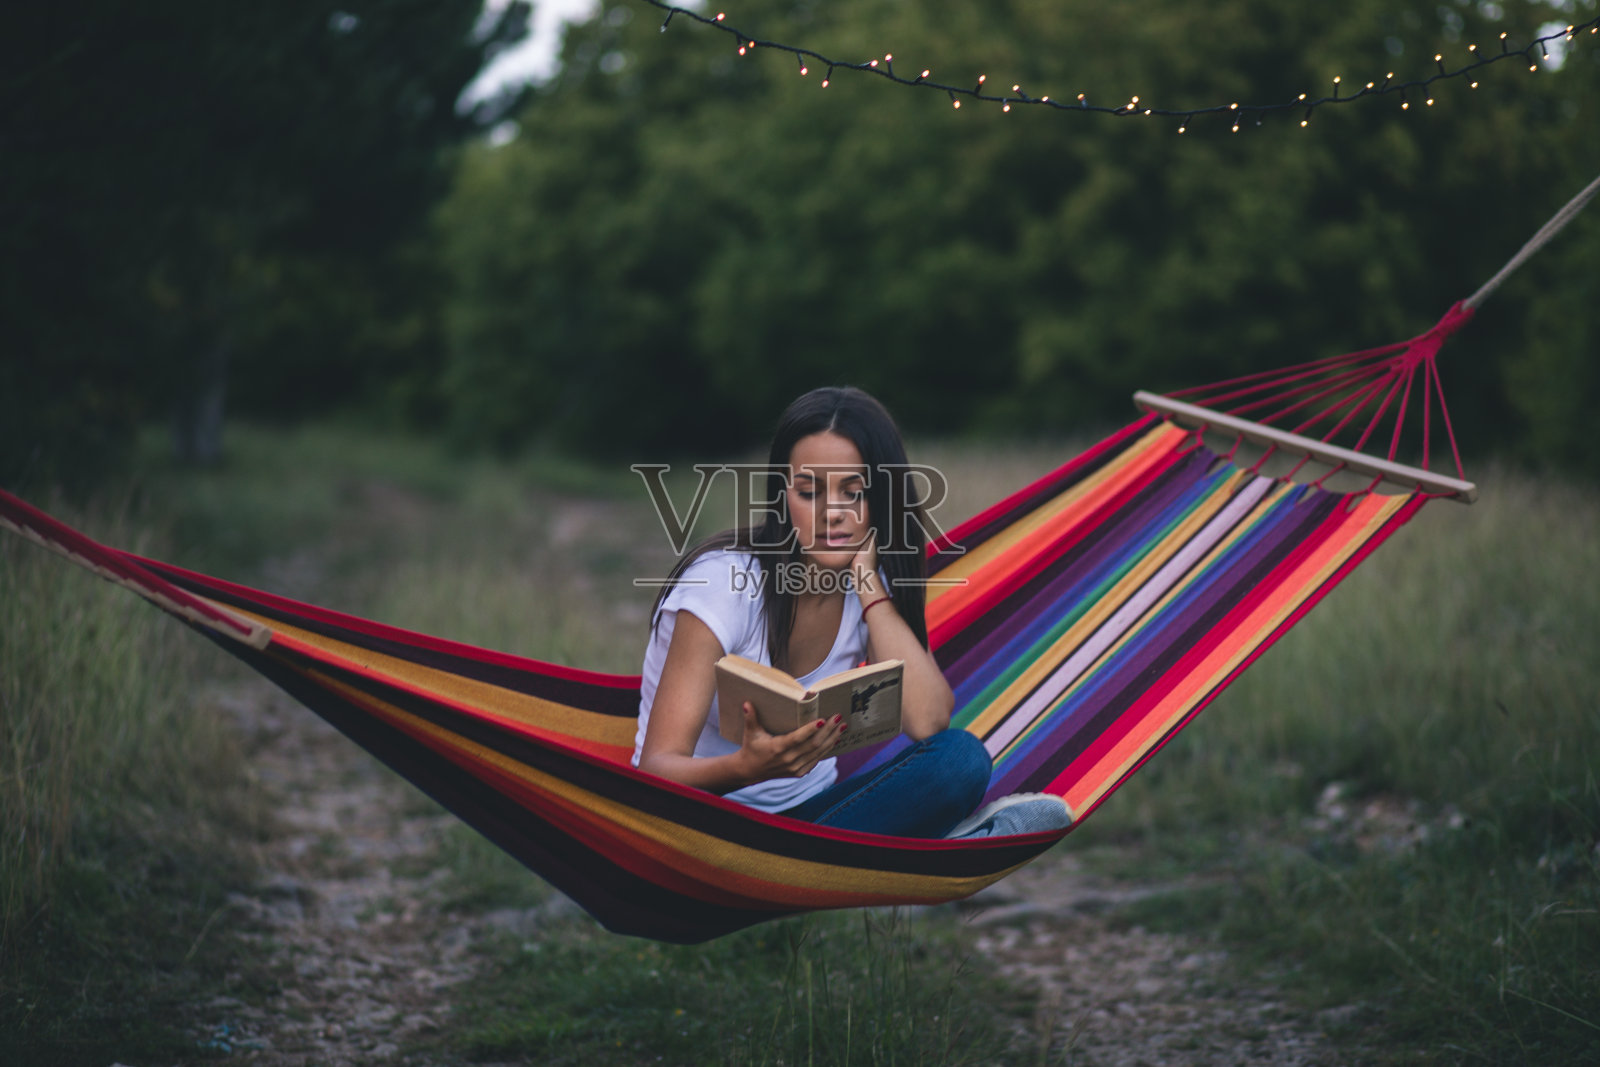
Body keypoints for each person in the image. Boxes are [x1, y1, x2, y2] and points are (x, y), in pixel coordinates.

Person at [633, 386, 1071, 839]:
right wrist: (745, 768)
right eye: (810, 492)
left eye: (854, 492)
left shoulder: (865, 585)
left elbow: (928, 721)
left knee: (960, 758)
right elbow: (655, 771)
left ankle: (905, 854)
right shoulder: (721, 587)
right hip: (702, 831)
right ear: (783, 496)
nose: (833, 513)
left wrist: (868, 588)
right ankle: (946, 846)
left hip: (820, 824)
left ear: (880, 500)